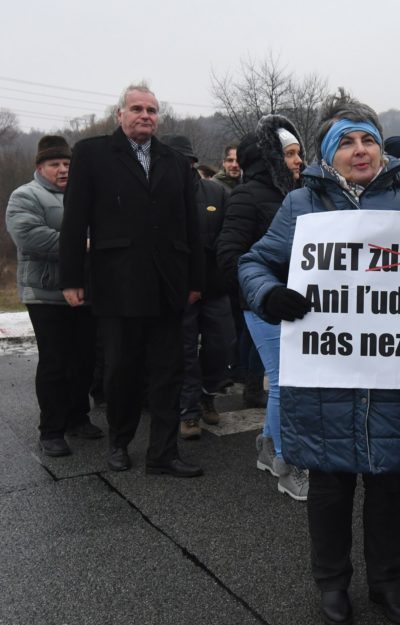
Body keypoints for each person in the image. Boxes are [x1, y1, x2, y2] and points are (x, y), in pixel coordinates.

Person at [238, 89, 400, 625]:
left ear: (383, 151)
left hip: (394, 376)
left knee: (392, 487)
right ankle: (332, 584)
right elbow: (255, 262)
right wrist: (269, 294)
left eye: (368, 139)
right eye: (345, 141)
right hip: (326, 378)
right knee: (330, 488)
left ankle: (387, 581)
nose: (359, 149)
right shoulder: (301, 204)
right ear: (328, 155)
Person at [59, 82, 205, 477]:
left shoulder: (174, 160)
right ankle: (119, 444)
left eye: (152, 110)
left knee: (168, 371)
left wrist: (195, 279)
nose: (145, 116)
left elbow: (191, 226)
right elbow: (74, 220)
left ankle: (163, 453)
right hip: (117, 282)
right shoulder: (91, 154)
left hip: (168, 285)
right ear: (119, 115)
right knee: (121, 370)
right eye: (137, 108)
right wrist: (71, 277)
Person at [216, 114, 309, 500]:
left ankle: (268, 445)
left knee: (285, 379)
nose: (299, 160)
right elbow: (230, 255)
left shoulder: (298, 193)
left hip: (294, 303)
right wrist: (263, 292)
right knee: (285, 380)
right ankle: (289, 463)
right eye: (289, 154)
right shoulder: (246, 196)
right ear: (269, 159)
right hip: (263, 305)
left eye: (299, 152)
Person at [6, 135, 102, 457]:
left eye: (67, 163)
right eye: (55, 164)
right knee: (55, 362)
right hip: (46, 294)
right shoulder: (25, 196)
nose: (63, 169)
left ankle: (78, 417)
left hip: (86, 291)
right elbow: (30, 236)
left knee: (84, 359)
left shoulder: (85, 195)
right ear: (40, 167)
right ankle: (51, 430)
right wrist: (84, 245)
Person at [163, 134, 236, 439]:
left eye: (185, 161)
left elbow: (230, 234)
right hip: (178, 290)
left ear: (193, 163)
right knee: (185, 351)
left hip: (213, 285)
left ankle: (208, 391)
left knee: (223, 344)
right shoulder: (157, 198)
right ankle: (189, 411)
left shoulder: (216, 193)